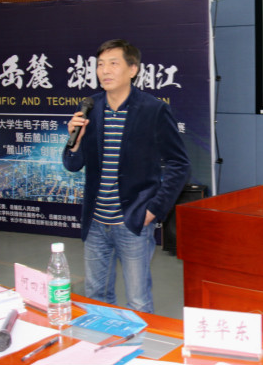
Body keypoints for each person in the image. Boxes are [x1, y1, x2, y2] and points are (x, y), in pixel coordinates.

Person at [62, 39, 190, 313]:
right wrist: (74, 141)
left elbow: (179, 164)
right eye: (100, 65)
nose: (105, 71)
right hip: (95, 222)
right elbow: (72, 165)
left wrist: (153, 210)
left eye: (113, 63)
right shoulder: (90, 107)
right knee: (96, 296)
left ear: (133, 69)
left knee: (138, 301)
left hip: (133, 221)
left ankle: (139, 342)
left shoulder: (153, 109)